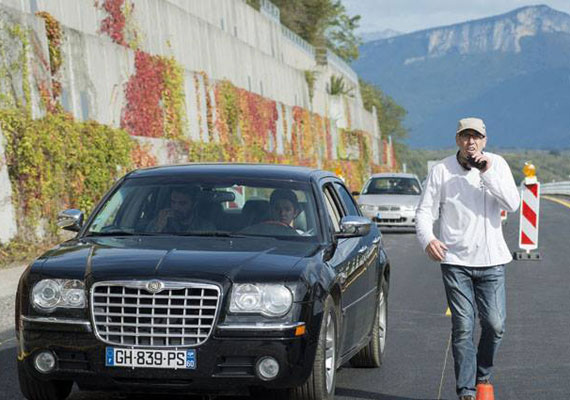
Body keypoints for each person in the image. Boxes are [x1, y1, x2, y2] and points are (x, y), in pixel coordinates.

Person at [415, 117, 520, 400]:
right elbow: (425, 212)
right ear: (457, 140)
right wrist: (428, 239)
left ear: (484, 140)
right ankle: (466, 391)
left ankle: (482, 373)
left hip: (492, 260)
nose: (470, 142)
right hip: (456, 261)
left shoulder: (497, 165)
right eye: (465, 136)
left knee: (495, 325)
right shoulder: (441, 170)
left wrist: (486, 173)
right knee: (462, 326)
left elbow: (512, 203)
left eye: (476, 137)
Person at [148, 186, 214, 233]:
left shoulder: (205, 228)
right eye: (173, 202)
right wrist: (159, 227)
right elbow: (145, 244)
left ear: (194, 204)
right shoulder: (160, 221)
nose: (176, 207)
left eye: (182, 203)